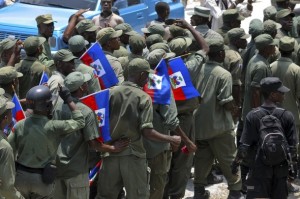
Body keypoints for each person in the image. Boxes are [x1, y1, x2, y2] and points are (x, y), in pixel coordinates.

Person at [95, 58, 181, 199]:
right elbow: (147, 131)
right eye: (146, 75)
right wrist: (171, 138)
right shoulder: (143, 97)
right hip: (133, 156)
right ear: (141, 75)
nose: (148, 79)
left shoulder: (109, 93)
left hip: (111, 153)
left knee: (105, 196)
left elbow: (99, 122)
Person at [53, 72, 129, 199]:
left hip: (58, 167)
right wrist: (112, 148)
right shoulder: (86, 112)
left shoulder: (58, 107)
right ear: (82, 88)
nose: (88, 84)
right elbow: (93, 144)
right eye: (85, 83)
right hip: (76, 171)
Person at [8, 85, 85, 198]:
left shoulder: (19, 125)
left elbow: (9, 149)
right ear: (48, 105)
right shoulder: (54, 126)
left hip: (21, 177)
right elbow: (80, 121)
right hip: (42, 180)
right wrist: (68, 99)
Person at [193, 38, 243, 199]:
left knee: (201, 159)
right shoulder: (224, 74)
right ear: (221, 53)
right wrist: (236, 110)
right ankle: (235, 191)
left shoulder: (197, 69)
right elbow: (225, 101)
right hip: (219, 127)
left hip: (199, 124)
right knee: (229, 158)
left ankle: (199, 191)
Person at [145, 49, 197, 199]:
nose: (170, 63)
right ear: (162, 63)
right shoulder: (159, 83)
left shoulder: (142, 80)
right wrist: (187, 141)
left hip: (142, 143)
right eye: (167, 61)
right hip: (158, 144)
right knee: (159, 181)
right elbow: (171, 120)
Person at [236, 77, 298, 199]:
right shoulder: (287, 115)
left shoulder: (252, 116)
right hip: (281, 170)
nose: (284, 94)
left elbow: (244, 147)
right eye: (281, 92)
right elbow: (292, 148)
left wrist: (235, 167)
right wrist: (293, 171)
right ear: (273, 94)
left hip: (259, 169)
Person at [270, 36, 300, 173]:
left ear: (279, 49)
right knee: (291, 145)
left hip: (271, 113)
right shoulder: (296, 70)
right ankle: (290, 173)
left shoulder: (270, 66)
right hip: (291, 114)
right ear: (293, 50)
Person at [0, 90, 24, 199]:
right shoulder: (5, 147)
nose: (12, 113)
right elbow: (7, 189)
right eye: (10, 111)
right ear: (5, 118)